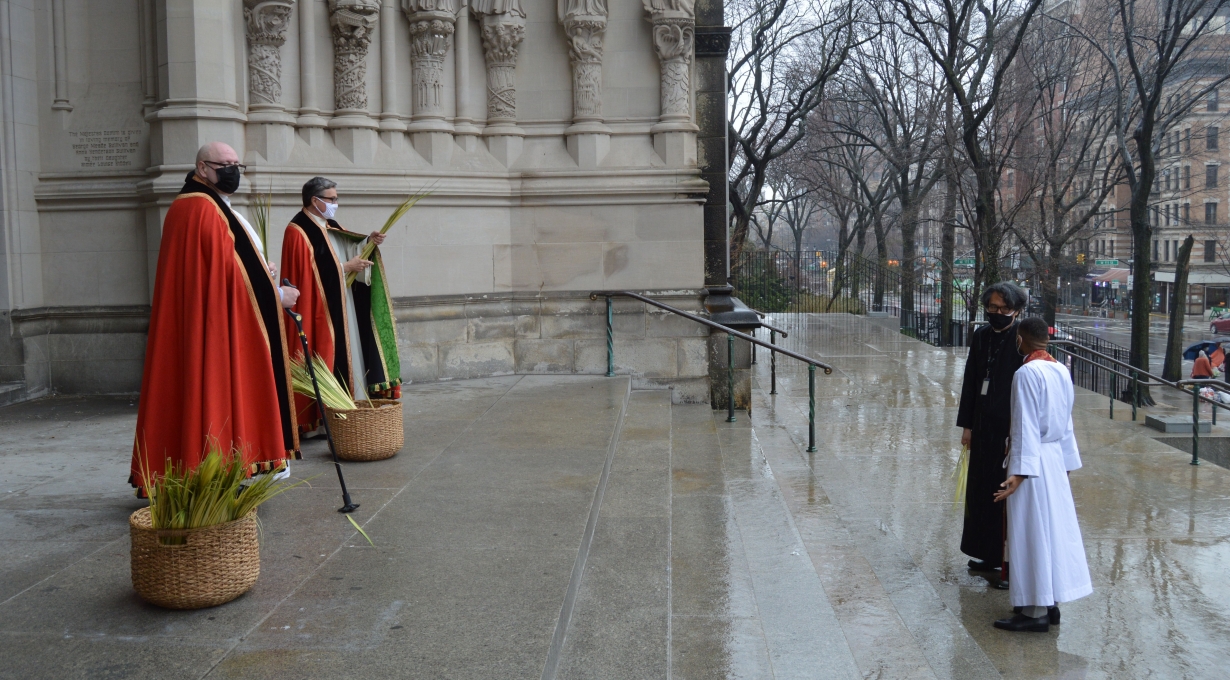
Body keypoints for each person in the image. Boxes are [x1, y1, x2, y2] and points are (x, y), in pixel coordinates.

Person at [130, 142, 301, 492]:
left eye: (237, 163)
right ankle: (218, 470)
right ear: (203, 167)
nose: (232, 170)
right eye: (224, 164)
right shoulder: (203, 210)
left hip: (202, 320)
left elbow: (226, 268)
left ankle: (200, 473)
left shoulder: (193, 205)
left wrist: (259, 268)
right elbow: (231, 279)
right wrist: (277, 295)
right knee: (214, 387)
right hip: (213, 325)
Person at [992, 317, 1092, 632]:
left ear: (1020, 340)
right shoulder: (1062, 370)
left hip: (1032, 462)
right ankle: (1051, 604)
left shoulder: (1025, 373)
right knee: (1052, 532)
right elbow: (1066, 423)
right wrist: (1065, 465)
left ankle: (1034, 612)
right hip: (1052, 460)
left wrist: (1018, 473)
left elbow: (1024, 425)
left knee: (1030, 534)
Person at [280, 177, 402, 432]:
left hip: (342, 302)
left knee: (350, 355)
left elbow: (346, 248)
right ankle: (319, 421)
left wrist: (368, 243)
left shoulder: (329, 223)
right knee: (323, 355)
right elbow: (307, 275)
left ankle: (346, 412)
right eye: (331, 199)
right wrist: (346, 268)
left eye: (336, 198)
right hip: (318, 308)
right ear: (315, 200)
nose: (336, 203)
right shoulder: (298, 229)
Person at [956, 281, 1028, 584]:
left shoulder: (1021, 339)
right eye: (992, 308)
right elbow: (971, 380)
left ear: (1016, 310)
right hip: (982, 424)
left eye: (1004, 308)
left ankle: (1006, 558)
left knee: (1003, 493)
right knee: (981, 490)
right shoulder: (981, 335)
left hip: (1008, 427)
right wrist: (967, 426)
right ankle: (985, 551)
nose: (997, 313)